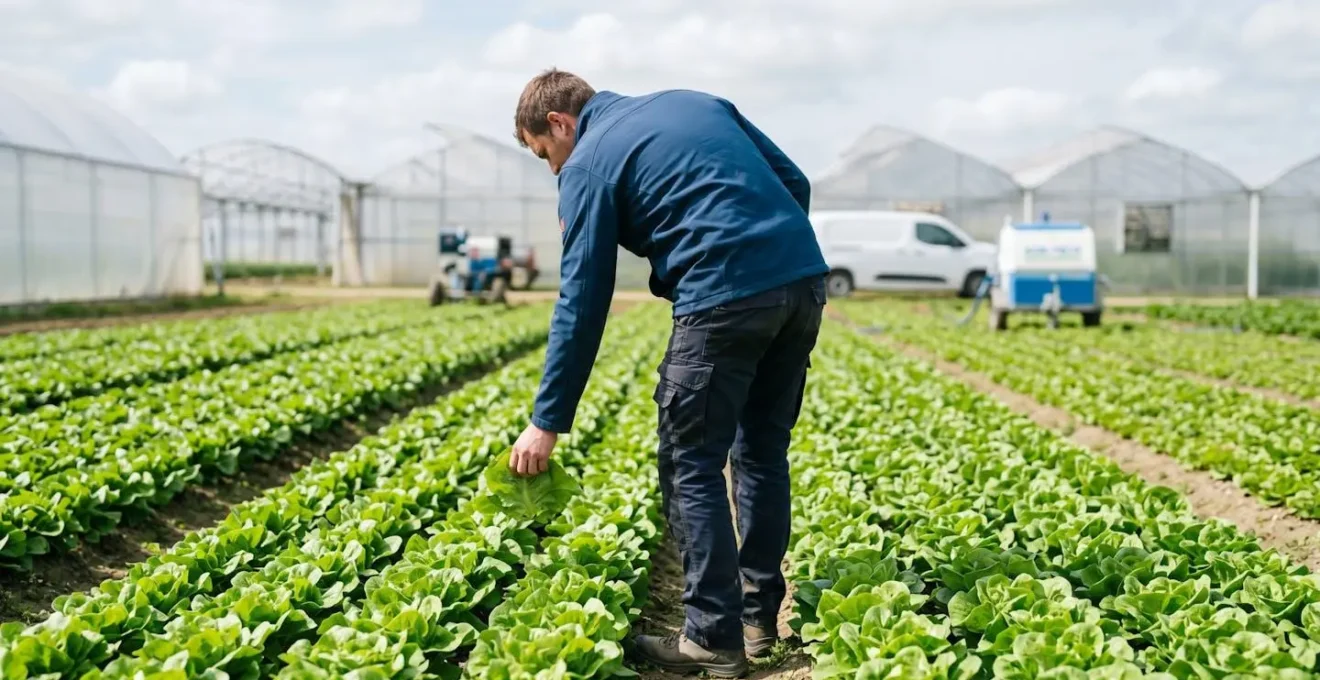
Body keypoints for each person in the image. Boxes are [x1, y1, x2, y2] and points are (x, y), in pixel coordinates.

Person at [507, 68, 827, 678]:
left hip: (722, 296)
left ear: (558, 123)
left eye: (544, 155)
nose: (552, 170)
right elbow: (795, 181)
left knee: (690, 460)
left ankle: (711, 635)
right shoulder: (695, 101)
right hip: (803, 283)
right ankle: (759, 620)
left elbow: (582, 297)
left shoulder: (586, 164)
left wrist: (547, 421)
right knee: (760, 451)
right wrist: (773, 256)